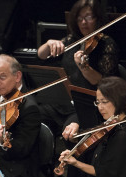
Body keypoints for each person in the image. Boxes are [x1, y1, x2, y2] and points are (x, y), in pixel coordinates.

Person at [37, 0, 120, 138]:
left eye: (88, 17)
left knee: (70, 133)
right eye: (79, 18)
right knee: (32, 115)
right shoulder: (72, 40)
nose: (83, 22)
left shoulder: (106, 44)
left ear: (98, 18)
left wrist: (84, 67)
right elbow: (41, 56)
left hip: (87, 105)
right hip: (63, 103)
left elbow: (103, 82)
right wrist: (48, 44)